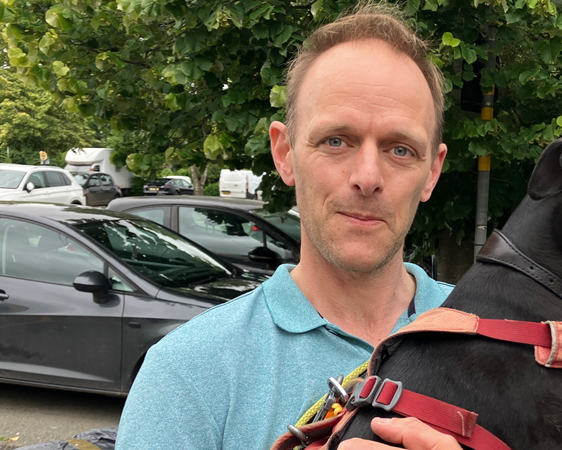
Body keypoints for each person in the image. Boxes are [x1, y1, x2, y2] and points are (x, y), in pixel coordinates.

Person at [116, 4, 462, 450]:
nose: (368, 177)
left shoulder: (497, 341)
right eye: (336, 140)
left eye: (400, 149)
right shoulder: (186, 372)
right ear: (285, 153)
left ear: (431, 172)